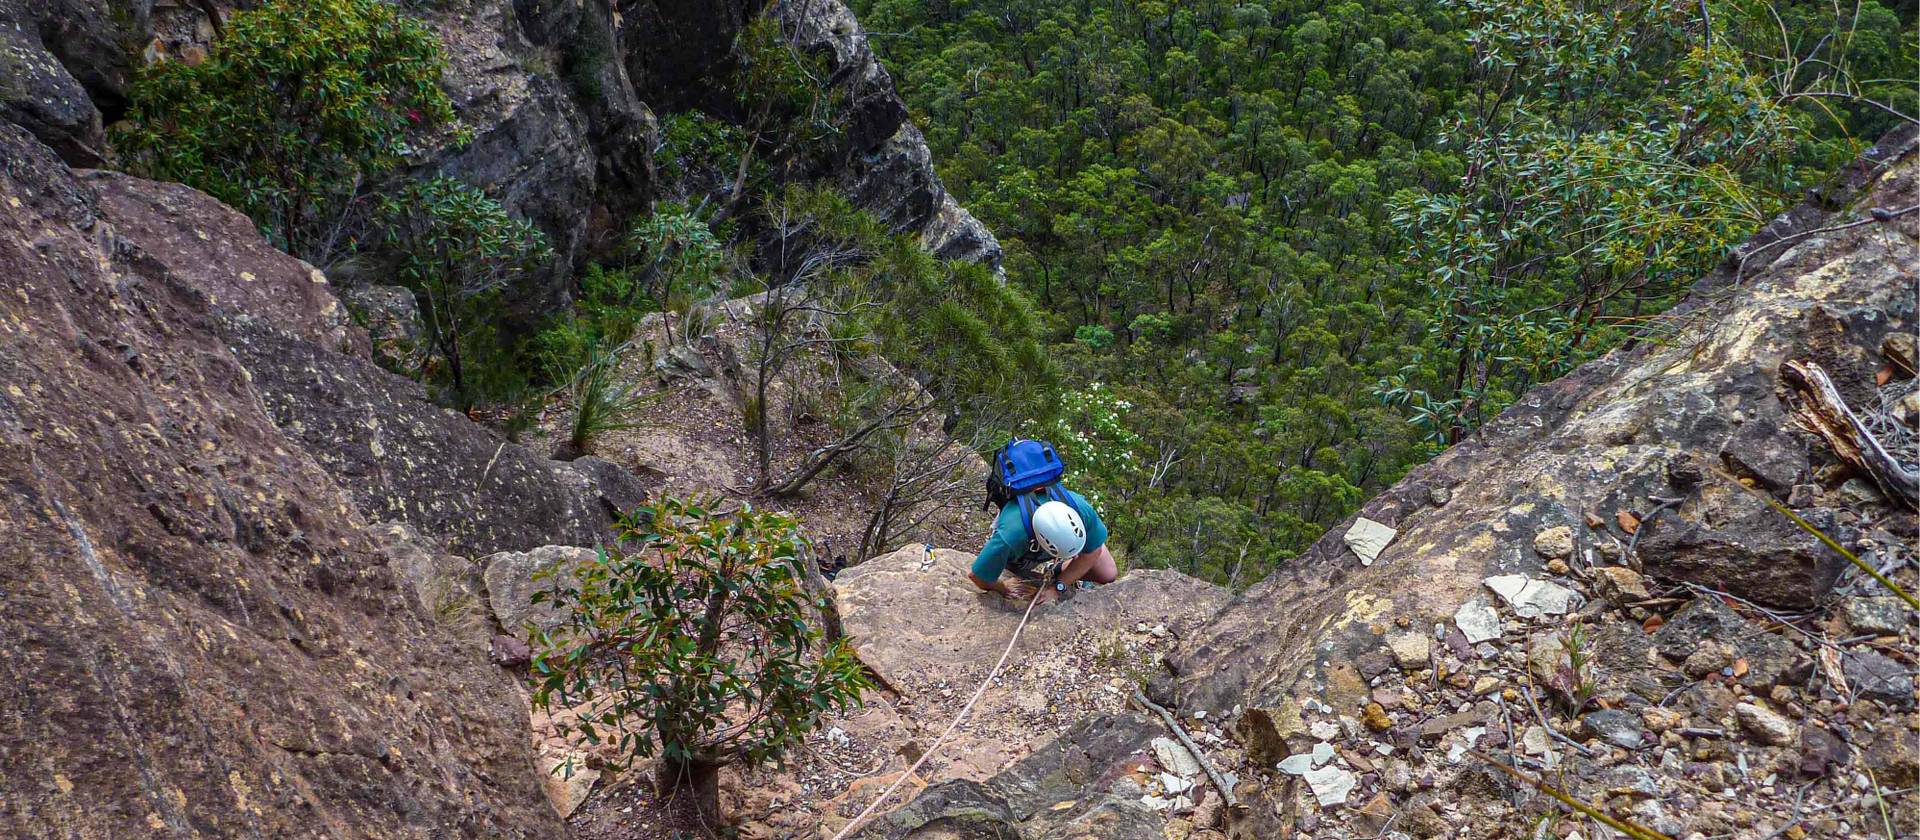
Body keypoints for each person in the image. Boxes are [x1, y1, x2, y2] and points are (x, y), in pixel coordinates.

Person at [967, 438, 1118, 604]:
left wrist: (1058, 587)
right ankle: (1049, 565)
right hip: (1023, 551)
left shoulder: (1081, 509)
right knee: (1015, 565)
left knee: (1108, 573)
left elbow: (1092, 553)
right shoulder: (1012, 534)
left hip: (1053, 538)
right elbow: (978, 576)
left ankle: (1058, 570)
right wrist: (1003, 588)